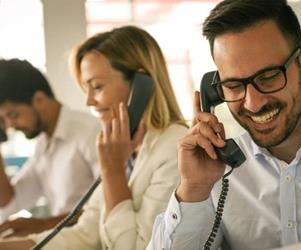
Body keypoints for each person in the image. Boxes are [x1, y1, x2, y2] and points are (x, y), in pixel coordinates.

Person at [0, 25, 188, 249]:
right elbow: (85, 234)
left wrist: (112, 171)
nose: (88, 101)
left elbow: (134, 246)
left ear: (141, 84)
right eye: (86, 89)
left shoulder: (174, 149)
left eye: (97, 87)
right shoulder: (121, 146)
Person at [147, 0, 301, 249]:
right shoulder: (218, 169)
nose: (253, 104)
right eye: (233, 86)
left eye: (268, 77)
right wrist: (194, 190)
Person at [0, 59, 100, 237]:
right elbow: (9, 202)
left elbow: (109, 206)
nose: (10, 126)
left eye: (13, 115)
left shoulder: (90, 132)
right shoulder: (44, 145)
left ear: (39, 99)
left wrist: (44, 225)